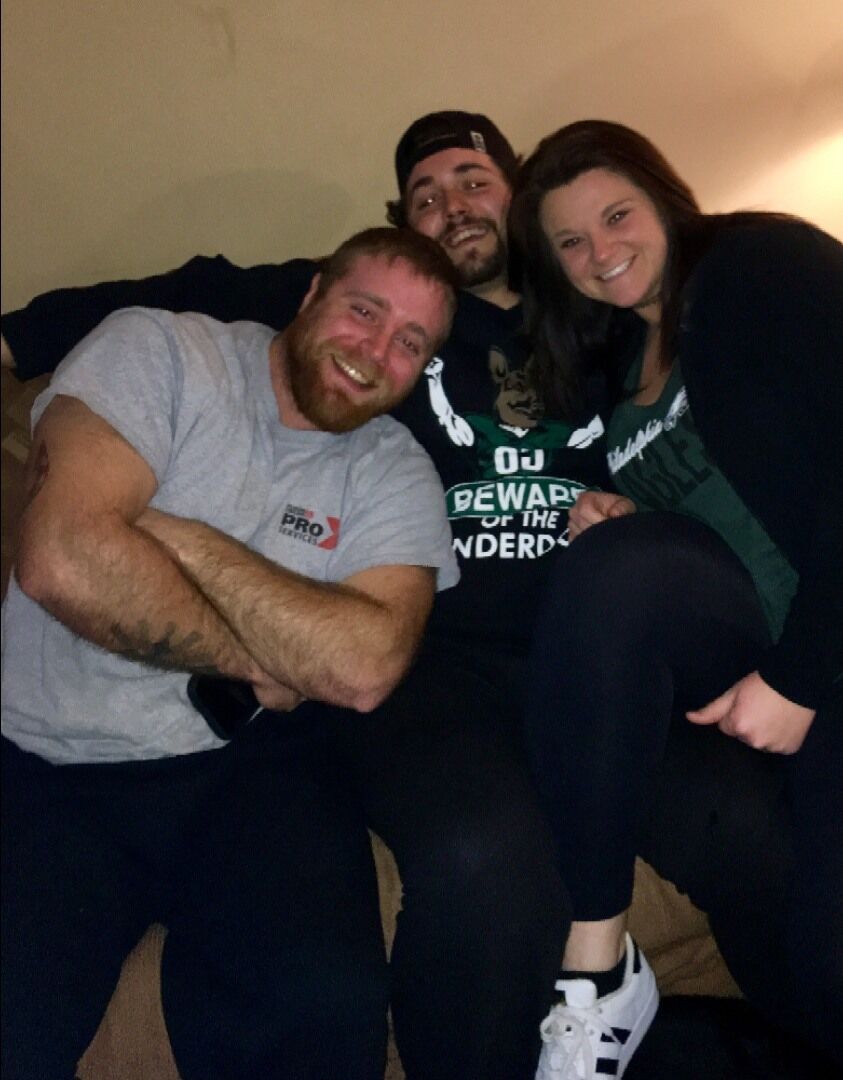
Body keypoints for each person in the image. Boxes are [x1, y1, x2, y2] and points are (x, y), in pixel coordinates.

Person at [1, 111, 809, 1079]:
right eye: (425, 196)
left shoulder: (599, 309)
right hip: (439, 668)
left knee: (754, 832)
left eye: (472, 180)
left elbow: (708, 429)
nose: (451, 205)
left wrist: (646, 524)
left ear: (520, 200)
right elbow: (187, 292)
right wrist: (13, 339)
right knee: (483, 860)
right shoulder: (378, 312)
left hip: (600, 660)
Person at [1, 226, 465, 1080]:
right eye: (364, 311)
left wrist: (173, 535)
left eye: (410, 342)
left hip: (252, 769)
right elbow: (62, 558)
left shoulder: (394, 469)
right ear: (311, 294)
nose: (375, 353)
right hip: (46, 761)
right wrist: (264, 657)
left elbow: (365, 668)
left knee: (327, 1012)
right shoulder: (160, 352)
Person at [508, 119, 843, 1077]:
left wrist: (800, 677)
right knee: (612, 566)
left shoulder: (757, 266)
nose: (600, 252)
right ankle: (598, 965)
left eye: (616, 217)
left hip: (823, 640)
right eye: (570, 242)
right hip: (747, 648)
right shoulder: (618, 360)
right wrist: (626, 511)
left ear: (662, 198)